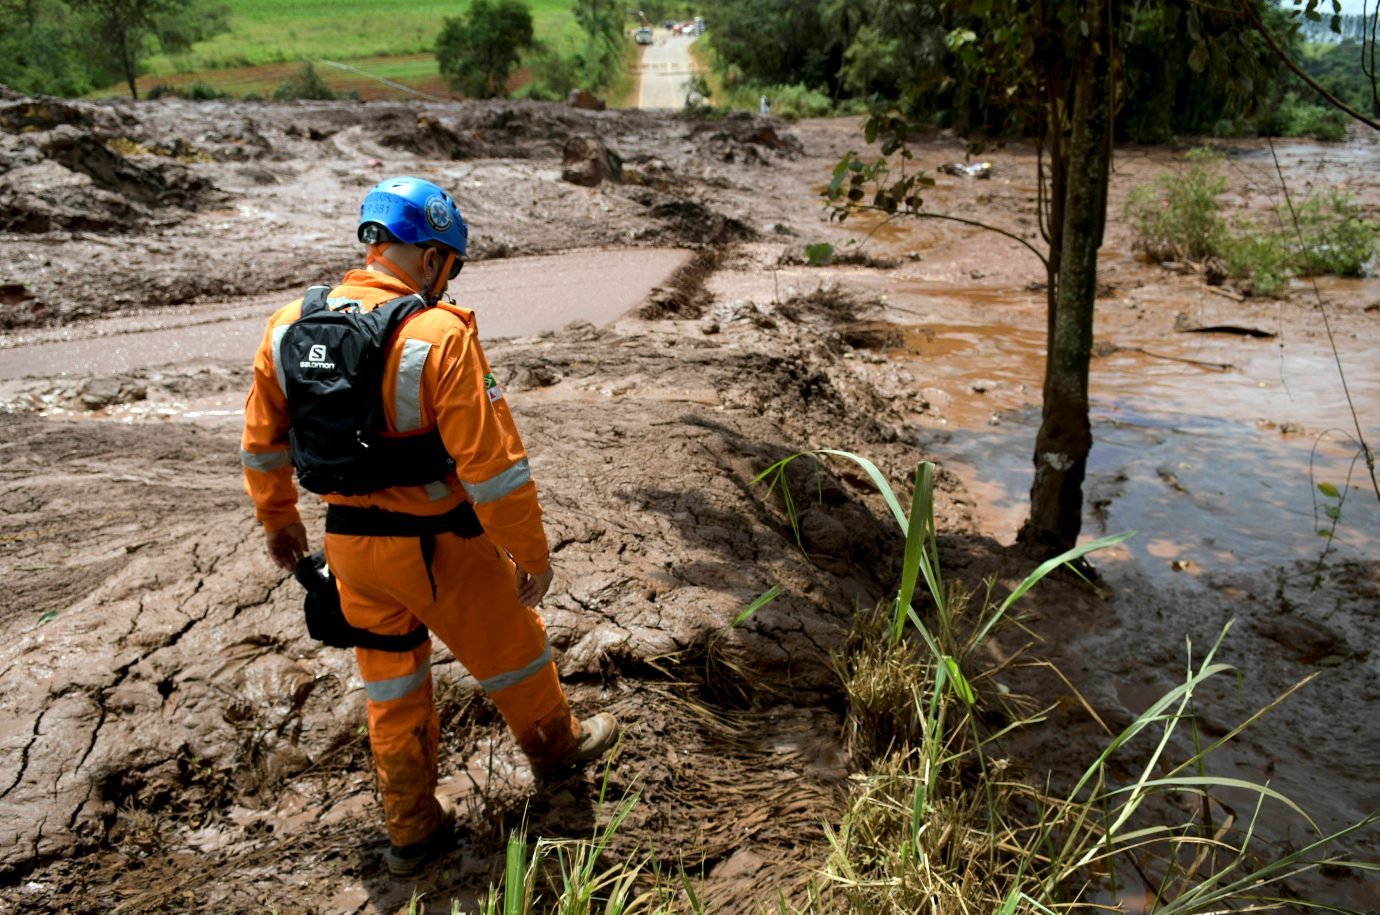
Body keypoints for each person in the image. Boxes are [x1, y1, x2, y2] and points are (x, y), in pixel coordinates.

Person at [239, 176, 618, 877]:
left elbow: (263, 441)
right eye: (451, 264)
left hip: (348, 547)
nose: (449, 279)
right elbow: (494, 468)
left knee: (390, 687)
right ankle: (557, 751)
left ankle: (412, 828)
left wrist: (279, 520)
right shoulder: (438, 334)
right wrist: (530, 552)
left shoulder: (289, 324)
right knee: (516, 652)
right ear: (433, 255)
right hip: (442, 544)